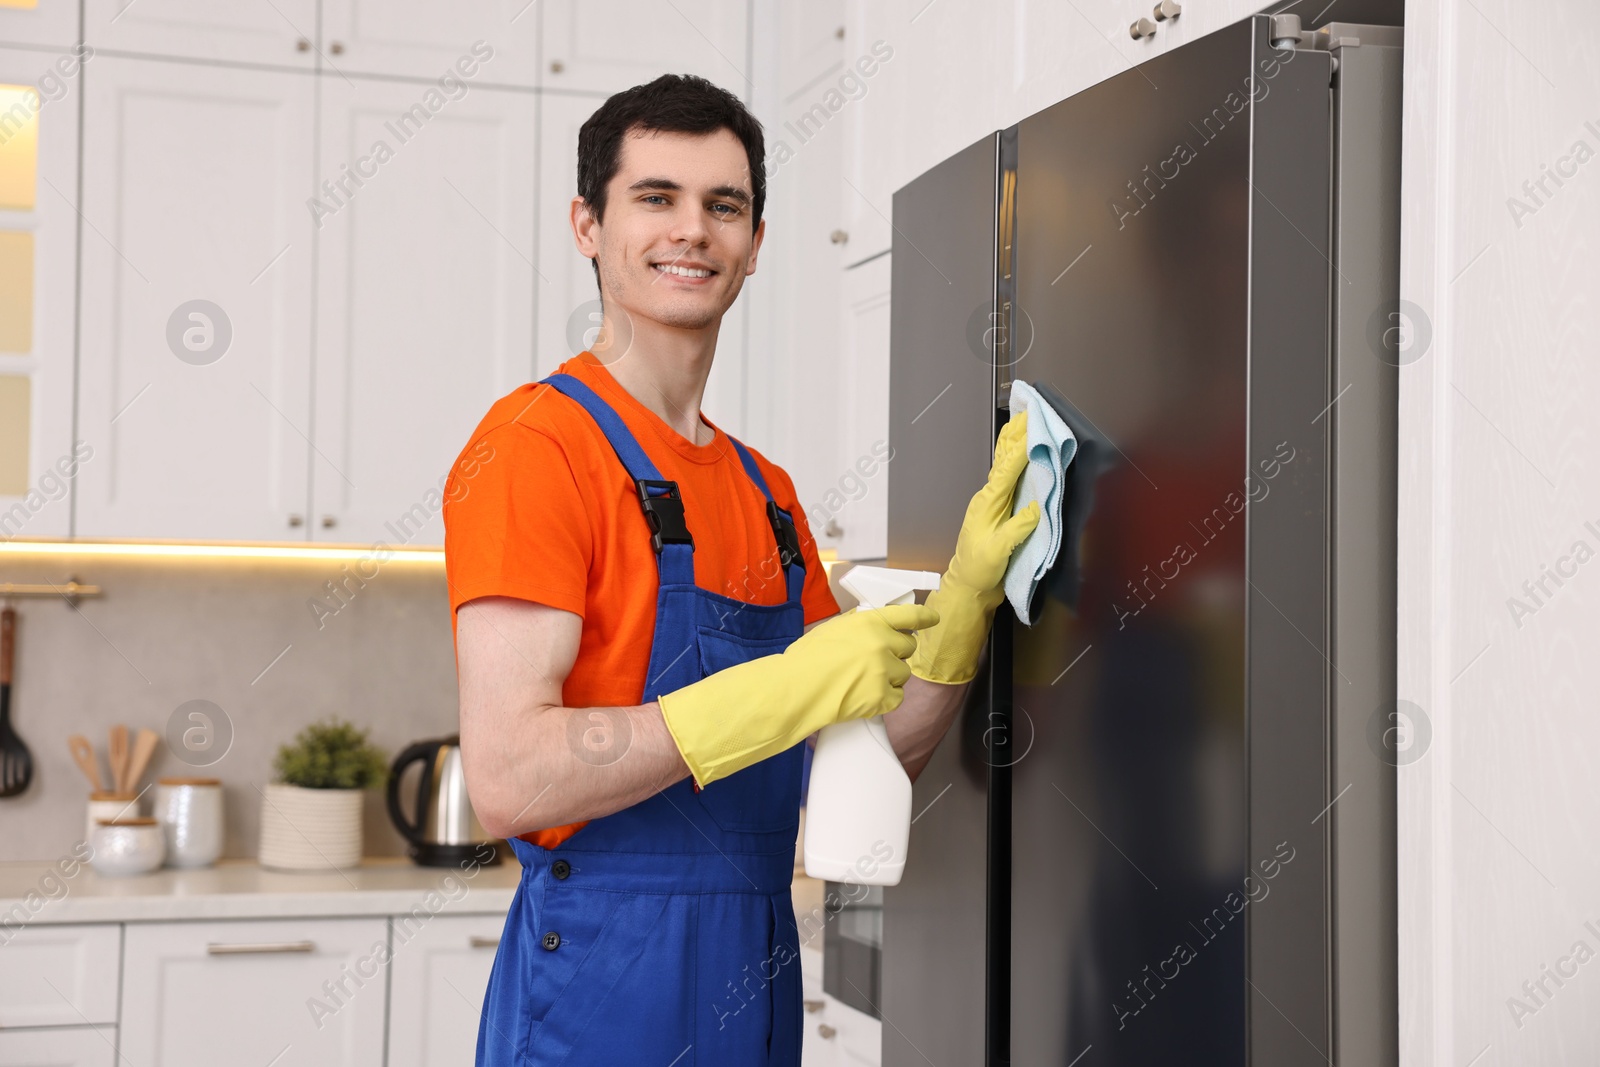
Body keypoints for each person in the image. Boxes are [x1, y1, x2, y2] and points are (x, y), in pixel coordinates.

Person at [444, 73, 1038, 1067]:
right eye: (656, 197)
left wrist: (966, 607)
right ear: (587, 224)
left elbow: (866, 760)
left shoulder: (767, 492)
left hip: (752, 977)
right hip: (604, 984)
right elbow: (508, 777)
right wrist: (773, 690)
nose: (693, 230)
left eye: (724, 205)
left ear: (755, 244)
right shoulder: (535, 447)